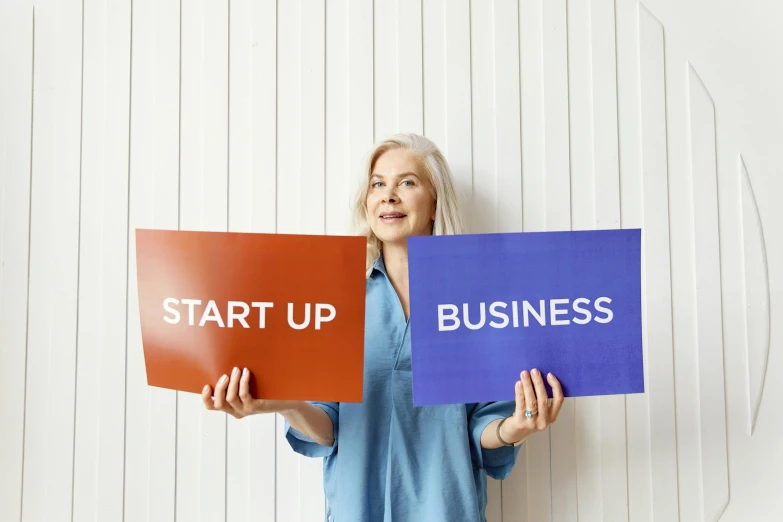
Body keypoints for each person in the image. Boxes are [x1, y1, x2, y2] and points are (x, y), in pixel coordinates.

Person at [202, 133, 565, 521]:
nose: (388, 195)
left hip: (447, 511)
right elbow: (329, 429)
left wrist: (518, 426)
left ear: (434, 203)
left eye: (407, 182)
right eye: (378, 184)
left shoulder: (478, 304)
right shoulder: (335, 300)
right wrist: (286, 403)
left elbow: (483, 430)